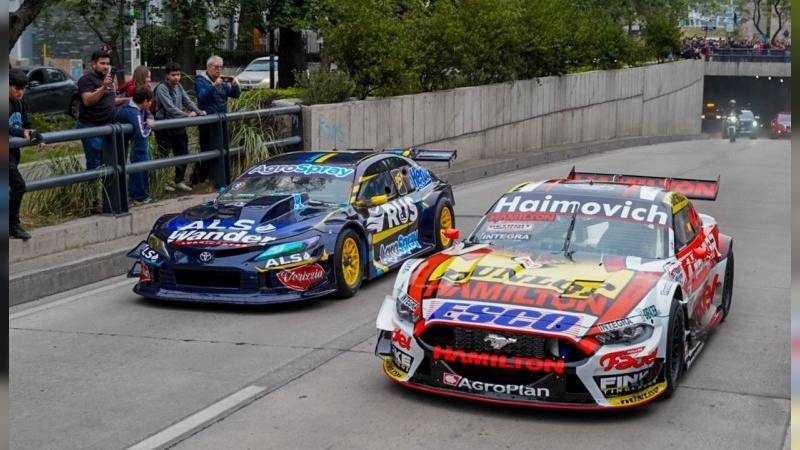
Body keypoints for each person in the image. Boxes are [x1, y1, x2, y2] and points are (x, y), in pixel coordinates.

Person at [76, 48, 128, 213]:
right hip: (91, 127)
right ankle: (90, 201)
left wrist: (128, 100)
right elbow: (88, 101)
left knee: (110, 164)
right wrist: (103, 87)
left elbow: (110, 101)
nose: (106, 66)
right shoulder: (86, 80)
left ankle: (109, 199)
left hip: (108, 128)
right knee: (94, 163)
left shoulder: (108, 80)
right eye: (102, 63)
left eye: (108, 63)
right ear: (93, 64)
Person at [154, 61, 206, 192]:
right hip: (165, 125)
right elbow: (170, 108)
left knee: (183, 152)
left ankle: (179, 180)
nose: (176, 77)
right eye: (173, 75)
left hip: (178, 124)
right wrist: (187, 115)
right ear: (167, 75)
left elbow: (187, 100)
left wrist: (198, 111)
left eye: (178, 74)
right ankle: (161, 182)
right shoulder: (162, 88)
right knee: (163, 154)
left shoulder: (179, 86)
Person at [192, 55, 240, 188]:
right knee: (206, 150)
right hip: (208, 121)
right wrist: (214, 86)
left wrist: (235, 86)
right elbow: (202, 97)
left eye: (221, 67)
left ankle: (220, 179)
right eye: (216, 67)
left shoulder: (222, 81)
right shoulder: (200, 81)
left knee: (222, 150)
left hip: (221, 120)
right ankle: (198, 179)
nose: (219, 70)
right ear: (209, 67)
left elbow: (235, 95)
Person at [9, 68, 46, 240]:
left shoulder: (20, 103)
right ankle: (13, 225)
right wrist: (21, 132)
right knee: (19, 186)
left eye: (23, 89)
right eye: (16, 88)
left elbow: (27, 123)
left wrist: (37, 135)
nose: (20, 92)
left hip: (13, 153)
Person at [115, 85, 156, 205]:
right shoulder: (134, 113)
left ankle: (132, 195)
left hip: (124, 138)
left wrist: (149, 117)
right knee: (125, 166)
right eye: (150, 102)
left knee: (132, 165)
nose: (150, 104)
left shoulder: (134, 105)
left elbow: (148, 113)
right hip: (118, 141)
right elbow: (142, 133)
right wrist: (149, 126)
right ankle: (134, 196)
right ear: (145, 101)